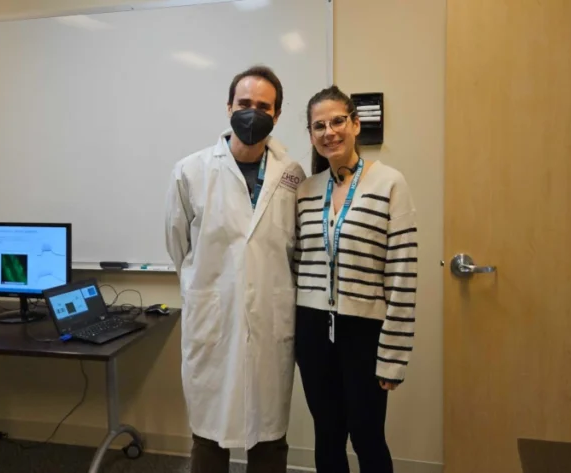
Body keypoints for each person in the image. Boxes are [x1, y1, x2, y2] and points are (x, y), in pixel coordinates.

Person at [165, 65, 306, 473]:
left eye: (264, 106)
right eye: (244, 103)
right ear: (228, 106)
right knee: (209, 437)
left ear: (276, 116)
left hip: (269, 322)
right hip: (215, 322)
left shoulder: (292, 176)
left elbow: (294, 251)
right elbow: (178, 246)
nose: (252, 112)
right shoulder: (190, 171)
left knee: (269, 439)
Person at [293, 86, 418, 473]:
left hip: (364, 331)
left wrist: (394, 356)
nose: (329, 132)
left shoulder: (390, 183)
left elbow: (403, 270)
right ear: (311, 135)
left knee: (366, 435)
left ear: (355, 124)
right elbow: (297, 263)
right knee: (326, 435)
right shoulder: (305, 190)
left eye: (337, 121)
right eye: (319, 126)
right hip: (313, 330)